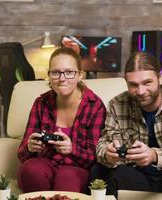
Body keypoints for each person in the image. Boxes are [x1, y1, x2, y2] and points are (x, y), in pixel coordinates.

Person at [95, 51, 162, 200]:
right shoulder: (117, 104)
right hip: (138, 173)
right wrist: (108, 155)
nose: (140, 91)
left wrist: (154, 155)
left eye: (147, 83)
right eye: (133, 85)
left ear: (160, 78)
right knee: (98, 171)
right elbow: (103, 143)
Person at [17, 47, 106, 193]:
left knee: (67, 178)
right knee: (31, 170)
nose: (62, 78)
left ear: (80, 75)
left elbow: (97, 158)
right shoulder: (41, 103)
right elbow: (21, 154)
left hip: (76, 167)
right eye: (56, 72)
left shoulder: (94, 105)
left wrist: (72, 149)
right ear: (49, 76)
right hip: (45, 162)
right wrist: (30, 147)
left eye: (69, 72)